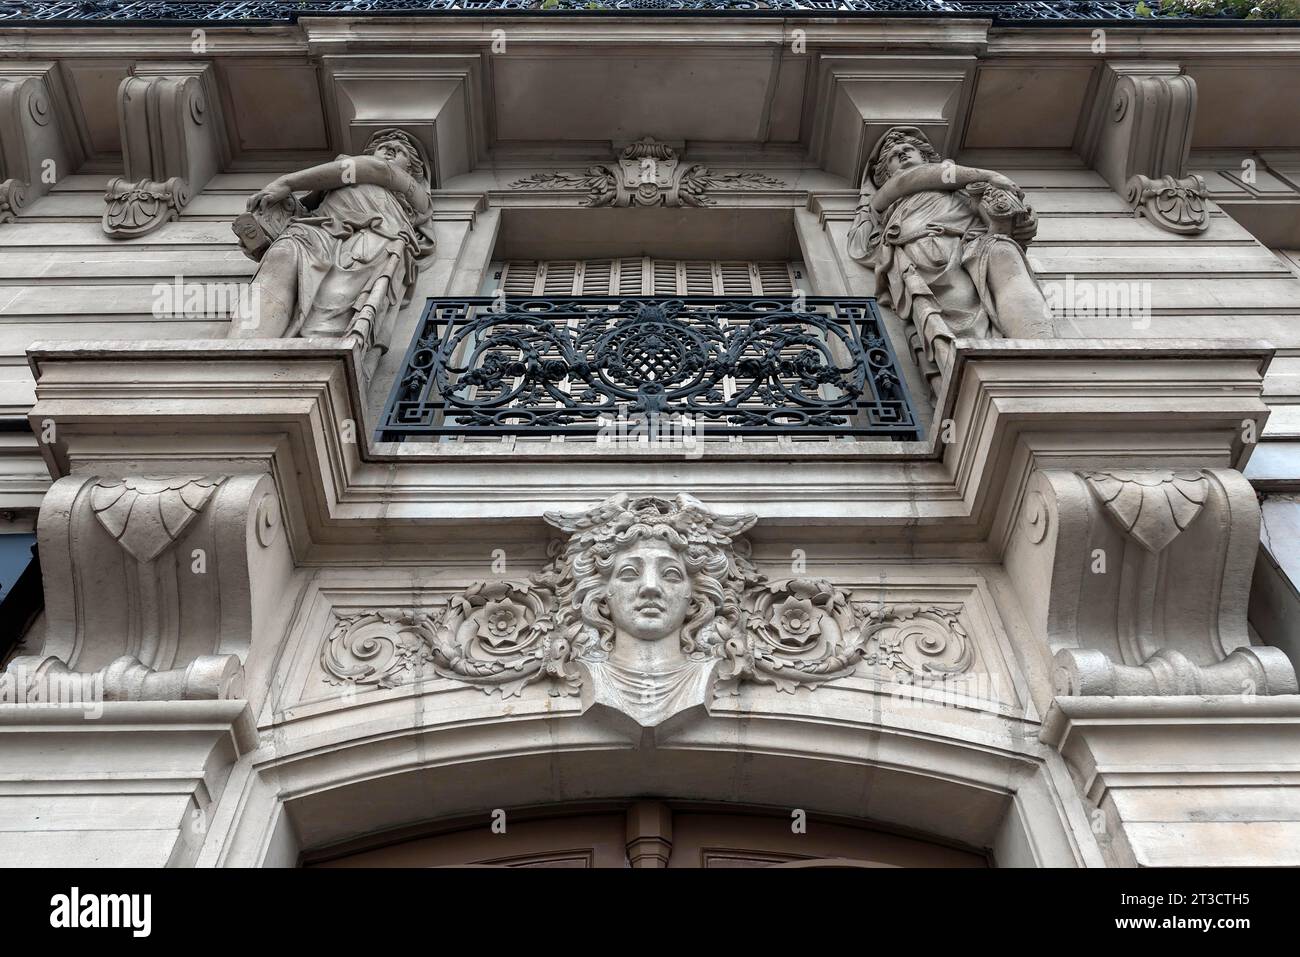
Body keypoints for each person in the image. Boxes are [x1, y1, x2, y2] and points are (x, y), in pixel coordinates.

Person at [847, 126, 1051, 391]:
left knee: (1006, 257)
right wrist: (989, 175)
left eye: (909, 150)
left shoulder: (959, 191)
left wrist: (1020, 222)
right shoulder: (887, 195)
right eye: (894, 156)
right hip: (929, 252)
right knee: (958, 317)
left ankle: (1043, 356)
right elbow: (914, 179)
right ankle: (978, 384)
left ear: (925, 155)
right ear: (885, 173)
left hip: (974, 241)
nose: (903, 155)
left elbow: (990, 214)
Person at [229, 128, 434, 354]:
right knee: (281, 255)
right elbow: (304, 208)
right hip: (320, 229)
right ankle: (239, 353)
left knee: (333, 309)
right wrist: (265, 232)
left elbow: (370, 169)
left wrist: (287, 182)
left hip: (370, 243)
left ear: (412, 168)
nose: (390, 152)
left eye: (400, 151)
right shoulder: (340, 181)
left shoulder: (414, 194)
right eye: (384, 148)